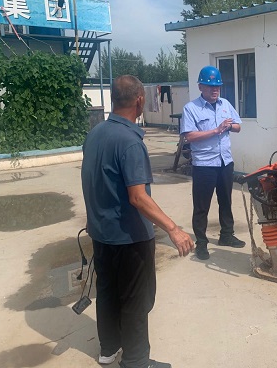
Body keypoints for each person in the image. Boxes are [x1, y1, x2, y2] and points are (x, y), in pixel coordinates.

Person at [81, 75, 194, 368]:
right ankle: (135, 361)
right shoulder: (130, 142)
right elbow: (138, 197)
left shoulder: (95, 134)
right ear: (140, 101)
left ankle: (108, 349)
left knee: (107, 292)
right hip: (129, 238)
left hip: (100, 233)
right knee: (135, 300)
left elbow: (96, 182)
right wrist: (174, 229)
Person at [181, 65, 245, 260]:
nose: (215, 89)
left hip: (225, 162)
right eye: (210, 86)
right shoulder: (191, 108)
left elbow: (238, 126)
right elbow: (189, 136)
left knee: (226, 200)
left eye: (217, 86)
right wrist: (216, 130)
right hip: (204, 165)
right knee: (202, 206)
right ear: (200, 86)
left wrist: (229, 127)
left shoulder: (225, 104)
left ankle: (227, 235)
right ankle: (201, 243)